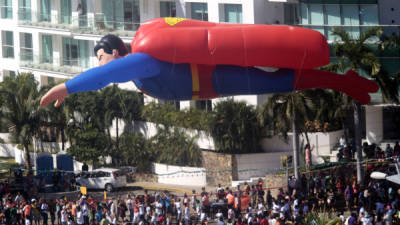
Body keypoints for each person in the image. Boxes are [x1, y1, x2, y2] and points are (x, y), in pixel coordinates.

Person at [40, 18, 378, 108]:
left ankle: (344, 78)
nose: (101, 64)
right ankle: (343, 81)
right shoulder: (140, 73)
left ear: (115, 52)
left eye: (102, 56)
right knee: (279, 83)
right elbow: (108, 75)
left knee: (278, 81)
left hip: (217, 76)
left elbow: (106, 76)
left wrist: (67, 86)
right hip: (216, 86)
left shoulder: (143, 60)